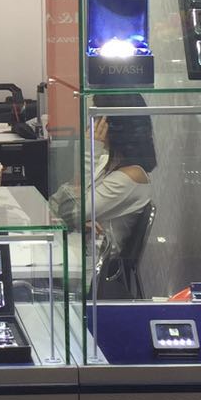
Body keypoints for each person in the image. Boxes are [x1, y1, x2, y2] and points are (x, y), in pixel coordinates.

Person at [53, 92, 156, 272]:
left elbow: (68, 211)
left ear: (115, 126)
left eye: (95, 119)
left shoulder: (131, 177)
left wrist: (88, 153)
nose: (89, 127)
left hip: (93, 268)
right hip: (78, 250)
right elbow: (56, 203)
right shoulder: (106, 161)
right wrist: (76, 218)